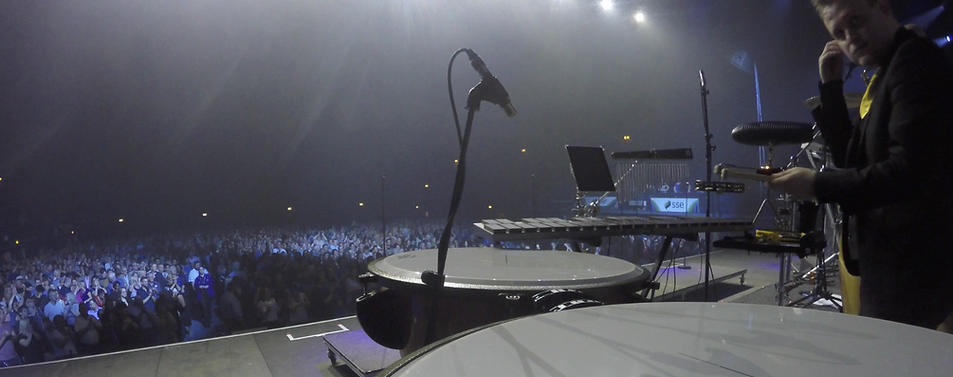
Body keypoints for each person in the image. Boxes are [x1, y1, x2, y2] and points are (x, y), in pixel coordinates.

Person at [769, 0, 953, 329]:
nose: (849, 37)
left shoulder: (914, 60)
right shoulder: (888, 69)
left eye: (856, 21)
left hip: (915, 270)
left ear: (883, 8)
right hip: (892, 266)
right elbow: (850, 159)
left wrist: (816, 185)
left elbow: (909, 172)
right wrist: (831, 87)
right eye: (838, 32)